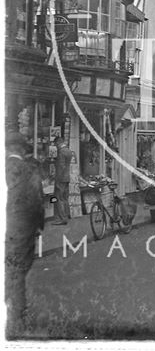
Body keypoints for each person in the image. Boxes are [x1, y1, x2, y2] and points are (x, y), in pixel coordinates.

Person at [5, 133, 44, 337]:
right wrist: (38, 225)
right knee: (18, 271)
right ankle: (17, 317)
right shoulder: (28, 170)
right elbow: (35, 201)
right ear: (21, 149)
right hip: (21, 230)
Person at [52, 136, 73, 226]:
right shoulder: (68, 151)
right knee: (65, 198)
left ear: (58, 142)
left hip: (61, 178)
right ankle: (67, 215)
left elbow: (61, 167)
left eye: (55, 144)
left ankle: (62, 219)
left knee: (58, 198)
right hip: (67, 177)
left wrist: (57, 180)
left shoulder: (61, 152)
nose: (55, 146)